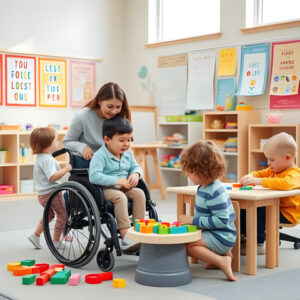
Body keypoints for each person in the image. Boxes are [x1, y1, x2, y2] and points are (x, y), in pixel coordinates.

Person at [178, 141, 237, 281]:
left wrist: (193, 220)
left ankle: (221, 261)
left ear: (203, 171)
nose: (188, 175)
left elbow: (222, 220)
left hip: (222, 236)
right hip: (215, 233)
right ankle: (223, 256)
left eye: (190, 172)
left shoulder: (214, 191)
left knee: (188, 247)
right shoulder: (205, 187)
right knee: (186, 237)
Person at [89, 116, 145, 251]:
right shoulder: (100, 156)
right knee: (120, 198)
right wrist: (117, 180)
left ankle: (139, 229)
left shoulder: (127, 153)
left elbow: (136, 167)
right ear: (107, 139)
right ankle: (126, 236)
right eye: (121, 140)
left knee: (139, 193)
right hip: (107, 189)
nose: (126, 144)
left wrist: (135, 174)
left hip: (125, 186)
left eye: (129, 140)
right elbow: (94, 176)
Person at [240, 132, 300, 255]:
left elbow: (286, 183)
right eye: (267, 158)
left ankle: (258, 243)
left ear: (287, 158)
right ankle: (244, 237)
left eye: (271, 159)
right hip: (274, 208)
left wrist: (260, 181)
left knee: (258, 208)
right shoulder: (273, 170)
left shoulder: (295, 173)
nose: (268, 162)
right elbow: (258, 173)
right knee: (243, 207)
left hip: (287, 214)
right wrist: (249, 176)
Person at [63, 82, 131, 168]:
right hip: (88, 164)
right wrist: (83, 148)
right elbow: (67, 142)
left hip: (111, 165)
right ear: (99, 101)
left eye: (118, 107)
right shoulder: (82, 116)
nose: (114, 111)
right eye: (110, 107)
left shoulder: (120, 119)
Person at [27, 127, 72, 250]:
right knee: (63, 214)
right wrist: (66, 169)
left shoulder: (40, 158)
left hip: (42, 195)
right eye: (56, 140)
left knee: (50, 215)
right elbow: (52, 177)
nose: (58, 143)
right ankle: (56, 241)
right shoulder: (48, 160)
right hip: (52, 193)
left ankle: (35, 235)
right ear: (48, 144)